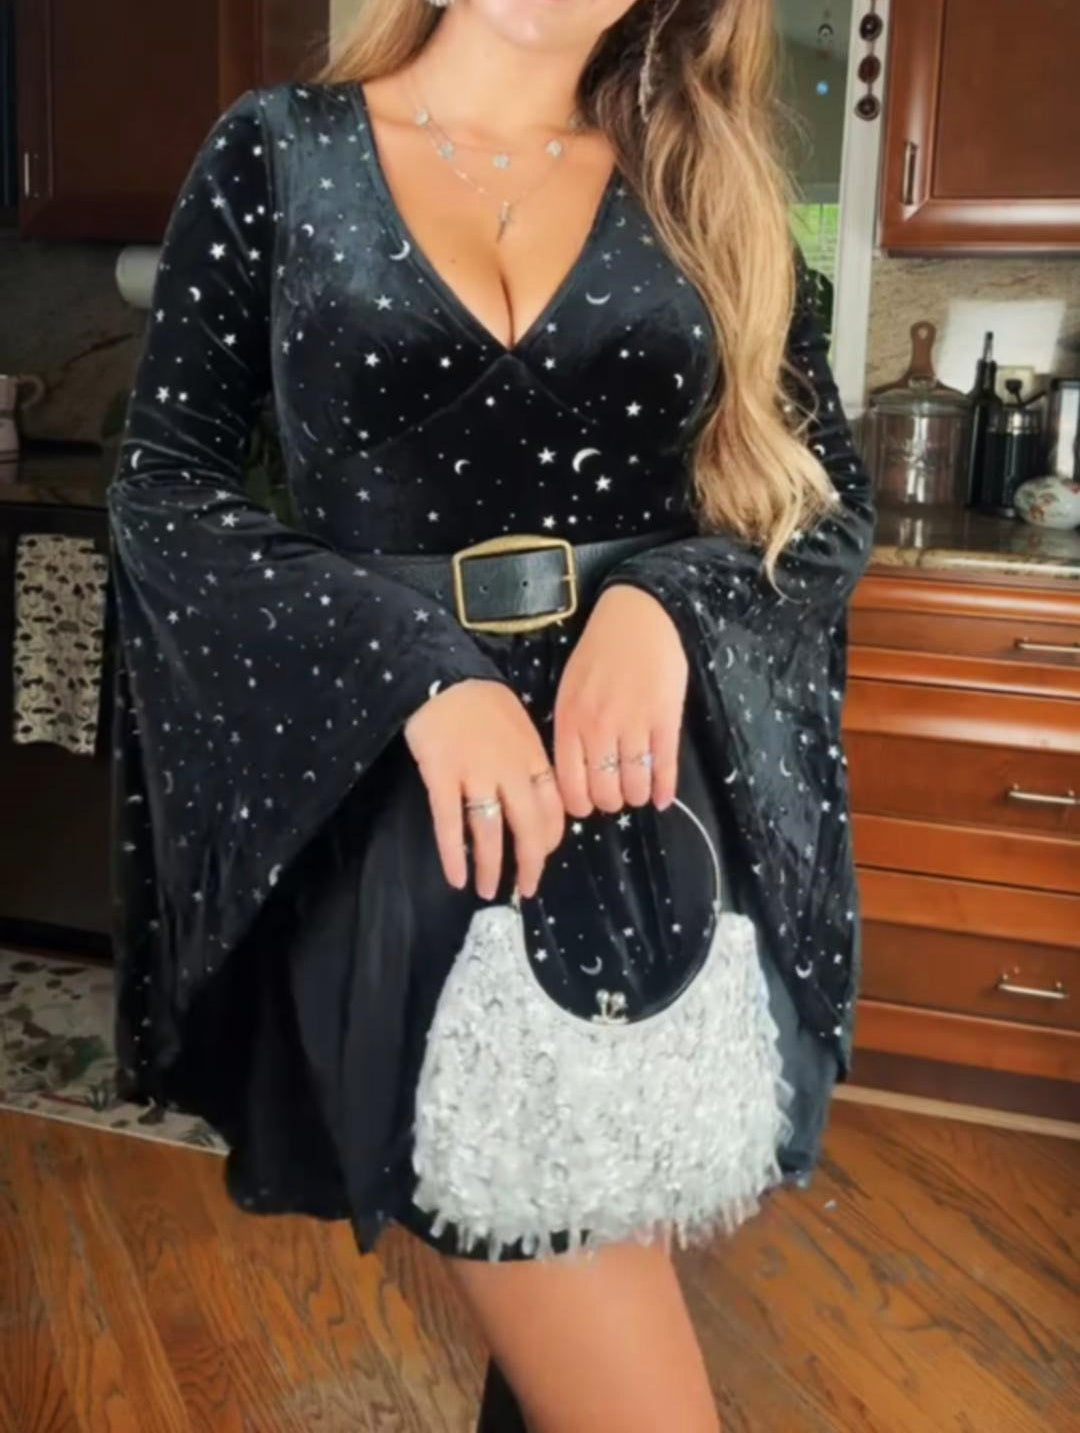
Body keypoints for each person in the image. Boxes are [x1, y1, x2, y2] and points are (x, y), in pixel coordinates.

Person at [104, 1, 874, 1429]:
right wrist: (421, 666)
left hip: (641, 813)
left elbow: (824, 502)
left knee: (565, 1319)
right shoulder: (278, 152)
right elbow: (165, 492)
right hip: (409, 815)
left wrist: (668, 605)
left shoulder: (703, 181)